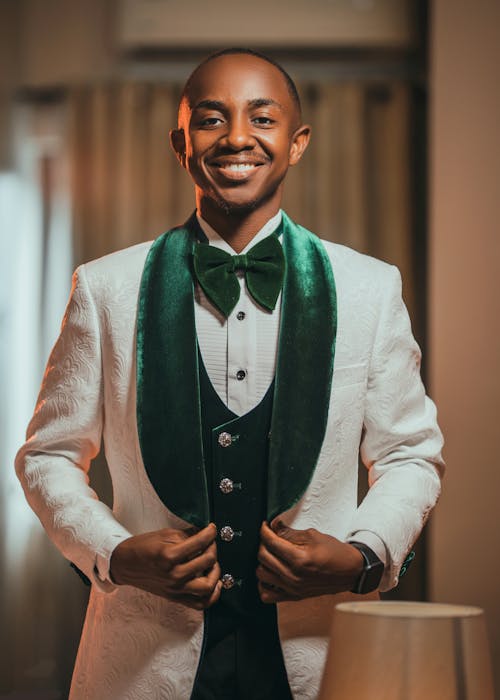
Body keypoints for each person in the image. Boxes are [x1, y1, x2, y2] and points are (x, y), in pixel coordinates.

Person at [15, 48, 444, 700]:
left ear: (297, 143)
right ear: (180, 143)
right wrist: (114, 551)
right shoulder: (104, 288)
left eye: (262, 119)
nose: (238, 137)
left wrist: (362, 556)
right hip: (144, 663)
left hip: (317, 661)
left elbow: (411, 453)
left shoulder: (370, 289)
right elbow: (47, 456)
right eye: (212, 119)